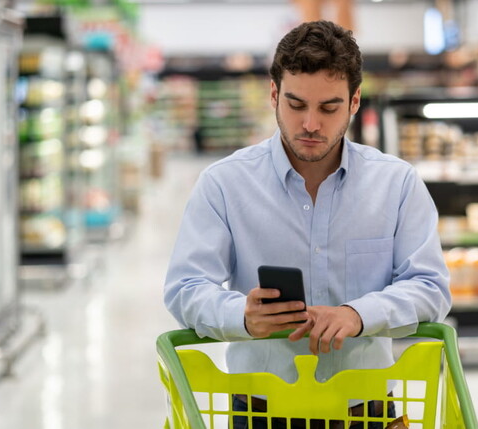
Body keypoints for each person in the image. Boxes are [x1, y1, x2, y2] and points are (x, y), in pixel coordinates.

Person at [163, 20, 451, 429]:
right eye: (296, 105)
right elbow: (185, 288)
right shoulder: (224, 184)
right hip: (262, 408)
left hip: (365, 405)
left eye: (329, 108)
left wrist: (359, 313)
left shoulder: (396, 183)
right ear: (275, 95)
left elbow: (430, 286)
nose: (311, 124)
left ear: (354, 103)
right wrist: (241, 316)